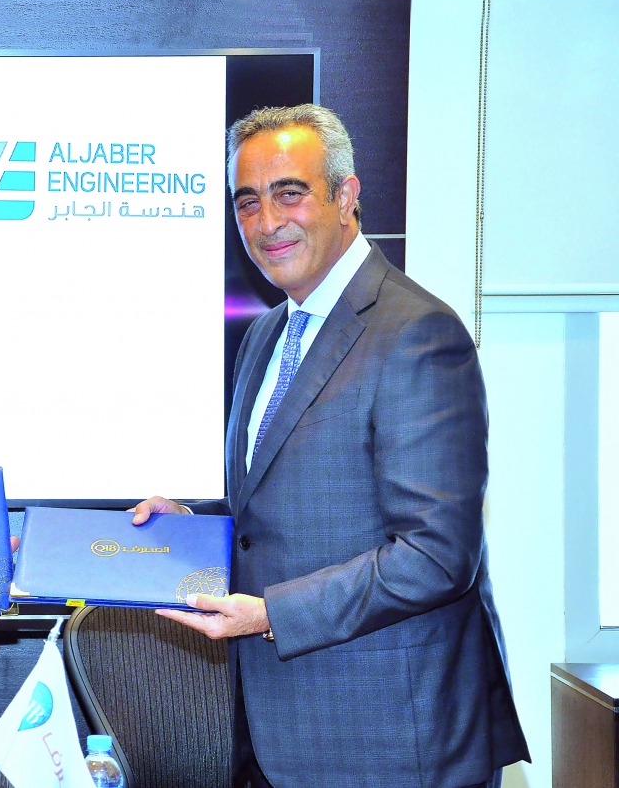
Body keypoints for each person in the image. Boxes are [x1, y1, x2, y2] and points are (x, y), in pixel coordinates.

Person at [130, 104, 529, 788]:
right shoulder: (265, 337)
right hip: (282, 733)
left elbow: (437, 556)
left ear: (347, 196)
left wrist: (270, 612)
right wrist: (195, 526)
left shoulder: (417, 332)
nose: (265, 222)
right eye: (247, 202)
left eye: (291, 192)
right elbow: (277, 508)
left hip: (396, 743)